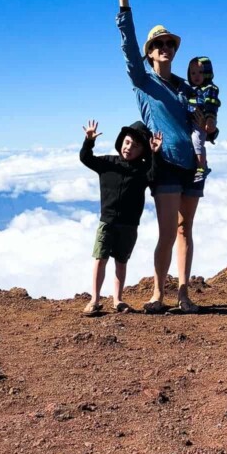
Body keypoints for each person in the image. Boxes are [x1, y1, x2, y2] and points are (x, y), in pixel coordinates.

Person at [111, 0, 205, 314]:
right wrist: (124, 2)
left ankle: (183, 294)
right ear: (150, 53)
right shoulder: (143, 81)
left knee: (186, 230)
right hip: (164, 164)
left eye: (170, 44)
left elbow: (204, 123)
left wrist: (206, 125)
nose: (166, 48)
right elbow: (127, 48)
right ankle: (158, 294)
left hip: (192, 166)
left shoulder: (184, 87)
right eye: (159, 44)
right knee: (168, 232)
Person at [79, 118, 162, 316]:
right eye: (126, 142)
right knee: (100, 259)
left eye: (135, 145)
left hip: (129, 225)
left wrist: (155, 154)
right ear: (120, 142)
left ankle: (117, 299)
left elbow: (154, 176)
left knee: (121, 262)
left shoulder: (142, 170)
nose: (129, 148)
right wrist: (89, 141)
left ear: (143, 150)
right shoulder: (108, 163)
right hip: (107, 222)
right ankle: (95, 299)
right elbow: (85, 158)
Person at [187, 56, 221, 181]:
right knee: (195, 141)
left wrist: (209, 119)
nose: (196, 76)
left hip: (204, 119)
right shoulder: (193, 90)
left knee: (197, 141)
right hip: (194, 120)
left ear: (208, 73)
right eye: (193, 73)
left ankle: (201, 168)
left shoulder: (210, 89)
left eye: (201, 72)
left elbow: (211, 104)